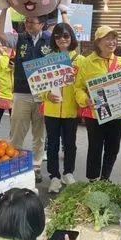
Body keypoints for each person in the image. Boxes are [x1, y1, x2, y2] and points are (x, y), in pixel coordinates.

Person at [0, 13, 51, 184]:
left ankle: (35, 167)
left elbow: (69, 41)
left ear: (42, 24)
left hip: (43, 94)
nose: (27, 24)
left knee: (39, 134)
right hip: (21, 93)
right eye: (26, 20)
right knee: (17, 130)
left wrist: (64, 10)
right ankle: (13, 164)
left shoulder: (50, 40)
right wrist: (4, 11)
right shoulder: (19, 38)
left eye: (31, 21)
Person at [75, 26, 121, 181]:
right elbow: (78, 88)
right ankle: (92, 180)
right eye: (107, 39)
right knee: (95, 148)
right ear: (98, 42)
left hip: (116, 113)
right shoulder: (87, 62)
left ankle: (105, 178)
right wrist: (85, 100)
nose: (112, 42)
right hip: (94, 113)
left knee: (113, 148)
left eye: (114, 38)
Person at [40, 23, 83, 193]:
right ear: (54, 39)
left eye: (65, 35)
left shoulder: (80, 60)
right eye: (58, 36)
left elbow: (82, 85)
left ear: (71, 37)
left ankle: (68, 173)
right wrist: (46, 95)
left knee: (70, 143)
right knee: (52, 145)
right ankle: (54, 176)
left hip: (71, 110)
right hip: (51, 109)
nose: (62, 39)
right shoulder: (47, 59)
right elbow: (40, 84)